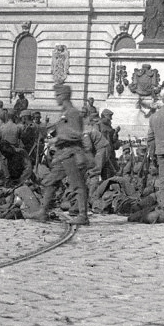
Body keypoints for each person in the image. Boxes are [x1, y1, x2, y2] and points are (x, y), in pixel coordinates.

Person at [51, 83, 90, 225]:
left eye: (57, 95)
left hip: (72, 153)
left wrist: (59, 137)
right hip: (63, 154)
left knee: (78, 185)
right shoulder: (64, 113)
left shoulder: (72, 113)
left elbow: (77, 134)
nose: (56, 98)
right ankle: (43, 210)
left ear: (64, 96)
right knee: (51, 181)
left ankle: (83, 215)